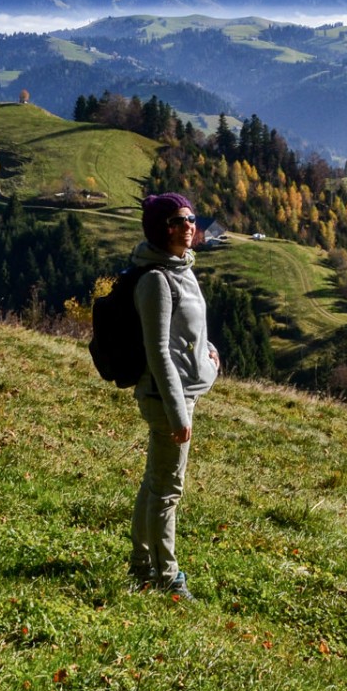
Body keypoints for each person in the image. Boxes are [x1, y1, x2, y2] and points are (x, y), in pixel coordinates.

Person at [129, 192, 219, 600]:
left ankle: (141, 564)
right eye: (179, 220)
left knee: (155, 482)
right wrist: (178, 413)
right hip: (167, 398)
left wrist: (206, 351)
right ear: (161, 229)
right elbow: (159, 351)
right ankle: (166, 578)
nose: (189, 225)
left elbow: (186, 332)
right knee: (168, 490)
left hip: (180, 395)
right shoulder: (156, 281)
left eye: (191, 217)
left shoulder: (181, 267)